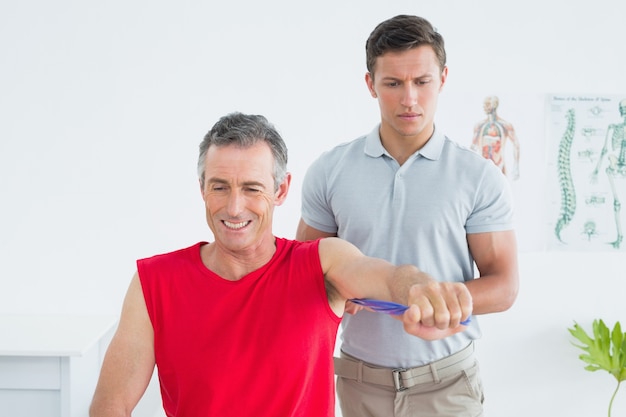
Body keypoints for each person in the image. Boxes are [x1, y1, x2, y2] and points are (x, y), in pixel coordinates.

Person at [89, 112, 472, 417]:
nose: (234, 207)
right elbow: (110, 406)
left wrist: (418, 287)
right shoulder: (154, 282)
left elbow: (385, 276)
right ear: (202, 188)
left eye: (252, 188)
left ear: (281, 190)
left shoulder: (322, 263)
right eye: (220, 186)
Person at [297, 15, 519, 417]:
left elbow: (504, 286)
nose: (409, 99)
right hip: (358, 382)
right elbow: (303, 270)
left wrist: (441, 301)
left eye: (422, 82)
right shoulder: (330, 171)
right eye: (393, 83)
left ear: (443, 79)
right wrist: (333, 289)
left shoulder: (478, 176)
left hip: (448, 384)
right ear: (370, 85)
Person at [471, 95, 521, 180]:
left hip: (499, 166)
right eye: (484, 105)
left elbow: (516, 144)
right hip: (483, 167)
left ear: (493, 106)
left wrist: (516, 166)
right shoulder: (479, 126)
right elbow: (472, 148)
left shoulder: (505, 125)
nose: (484, 107)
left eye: (487, 104)